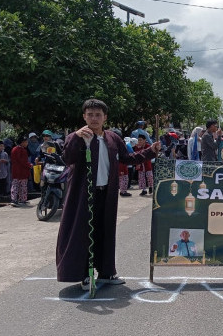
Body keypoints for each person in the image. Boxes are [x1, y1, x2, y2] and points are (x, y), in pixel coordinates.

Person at [56, 99, 160, 290]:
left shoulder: (113, 138)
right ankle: (85, 274)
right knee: (83, 232)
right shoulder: (77, 137)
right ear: (84, 116)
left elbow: (128, 158)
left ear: (105, 117)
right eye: (90, 114)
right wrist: (78, 138)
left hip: (107, 193)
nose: (94, 118)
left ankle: (106, 272)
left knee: (106, 231)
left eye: (98, 115)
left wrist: (150, 152)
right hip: (83, 195)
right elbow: (68, 158)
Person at [10, 134, 31, 207]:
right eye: (26, 142)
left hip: (15, 170)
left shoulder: (14, 149)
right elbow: (22, 161)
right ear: (22, 142)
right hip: (22, 171)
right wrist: (29, 165)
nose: (27, 143)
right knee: (23, 186)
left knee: (15, 185)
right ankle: (22, 199)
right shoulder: (22, 150)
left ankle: (14, 199)